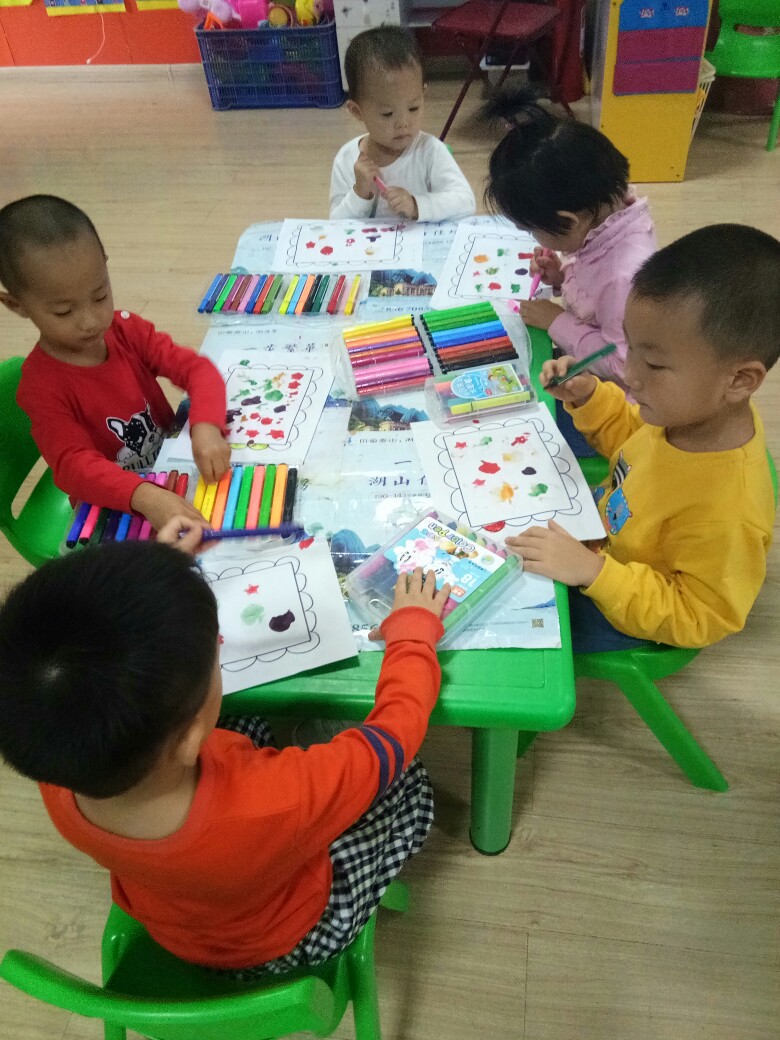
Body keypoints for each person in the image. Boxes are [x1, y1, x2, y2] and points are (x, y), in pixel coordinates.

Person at [0, 518, 450, 977]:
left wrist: (158, 578)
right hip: (288, 929)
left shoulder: (57, 763)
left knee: (246, 724)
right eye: (215, 654)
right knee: (408, 780)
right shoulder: (273, 802)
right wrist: (412, 632)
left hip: (177, 919)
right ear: (191, 736)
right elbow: (391, 739)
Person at [505, 225, 779, 651]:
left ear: (740, 380)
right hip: (600, 545)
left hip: (629, 606)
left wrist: (594, 573)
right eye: (631, 348)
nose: (630, 375)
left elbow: (697, 617)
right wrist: (590, 397)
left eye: (654, 364)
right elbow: (633, 444)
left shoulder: (727, 511)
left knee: (511, 622)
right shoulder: (690, 414)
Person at [0, 195, 230, 534]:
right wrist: (144, 495)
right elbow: (73, 466)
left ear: (105, 265)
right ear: (16, 305)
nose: (91, 321)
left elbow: (198, 370)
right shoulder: (40, 387)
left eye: (100, 295)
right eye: (64, 311)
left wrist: (206, 425)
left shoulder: (126, 330)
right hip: (111, 511)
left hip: (169, 474)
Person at [330, 26, 476, 222]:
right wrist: (359, 193)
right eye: (387, 114)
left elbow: (465, 201)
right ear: (357, 111)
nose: (403, 123)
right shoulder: (347, 159)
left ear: (423, 95)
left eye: (413, 108)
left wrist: (416, 205)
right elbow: (335, 224)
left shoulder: (430, 151)